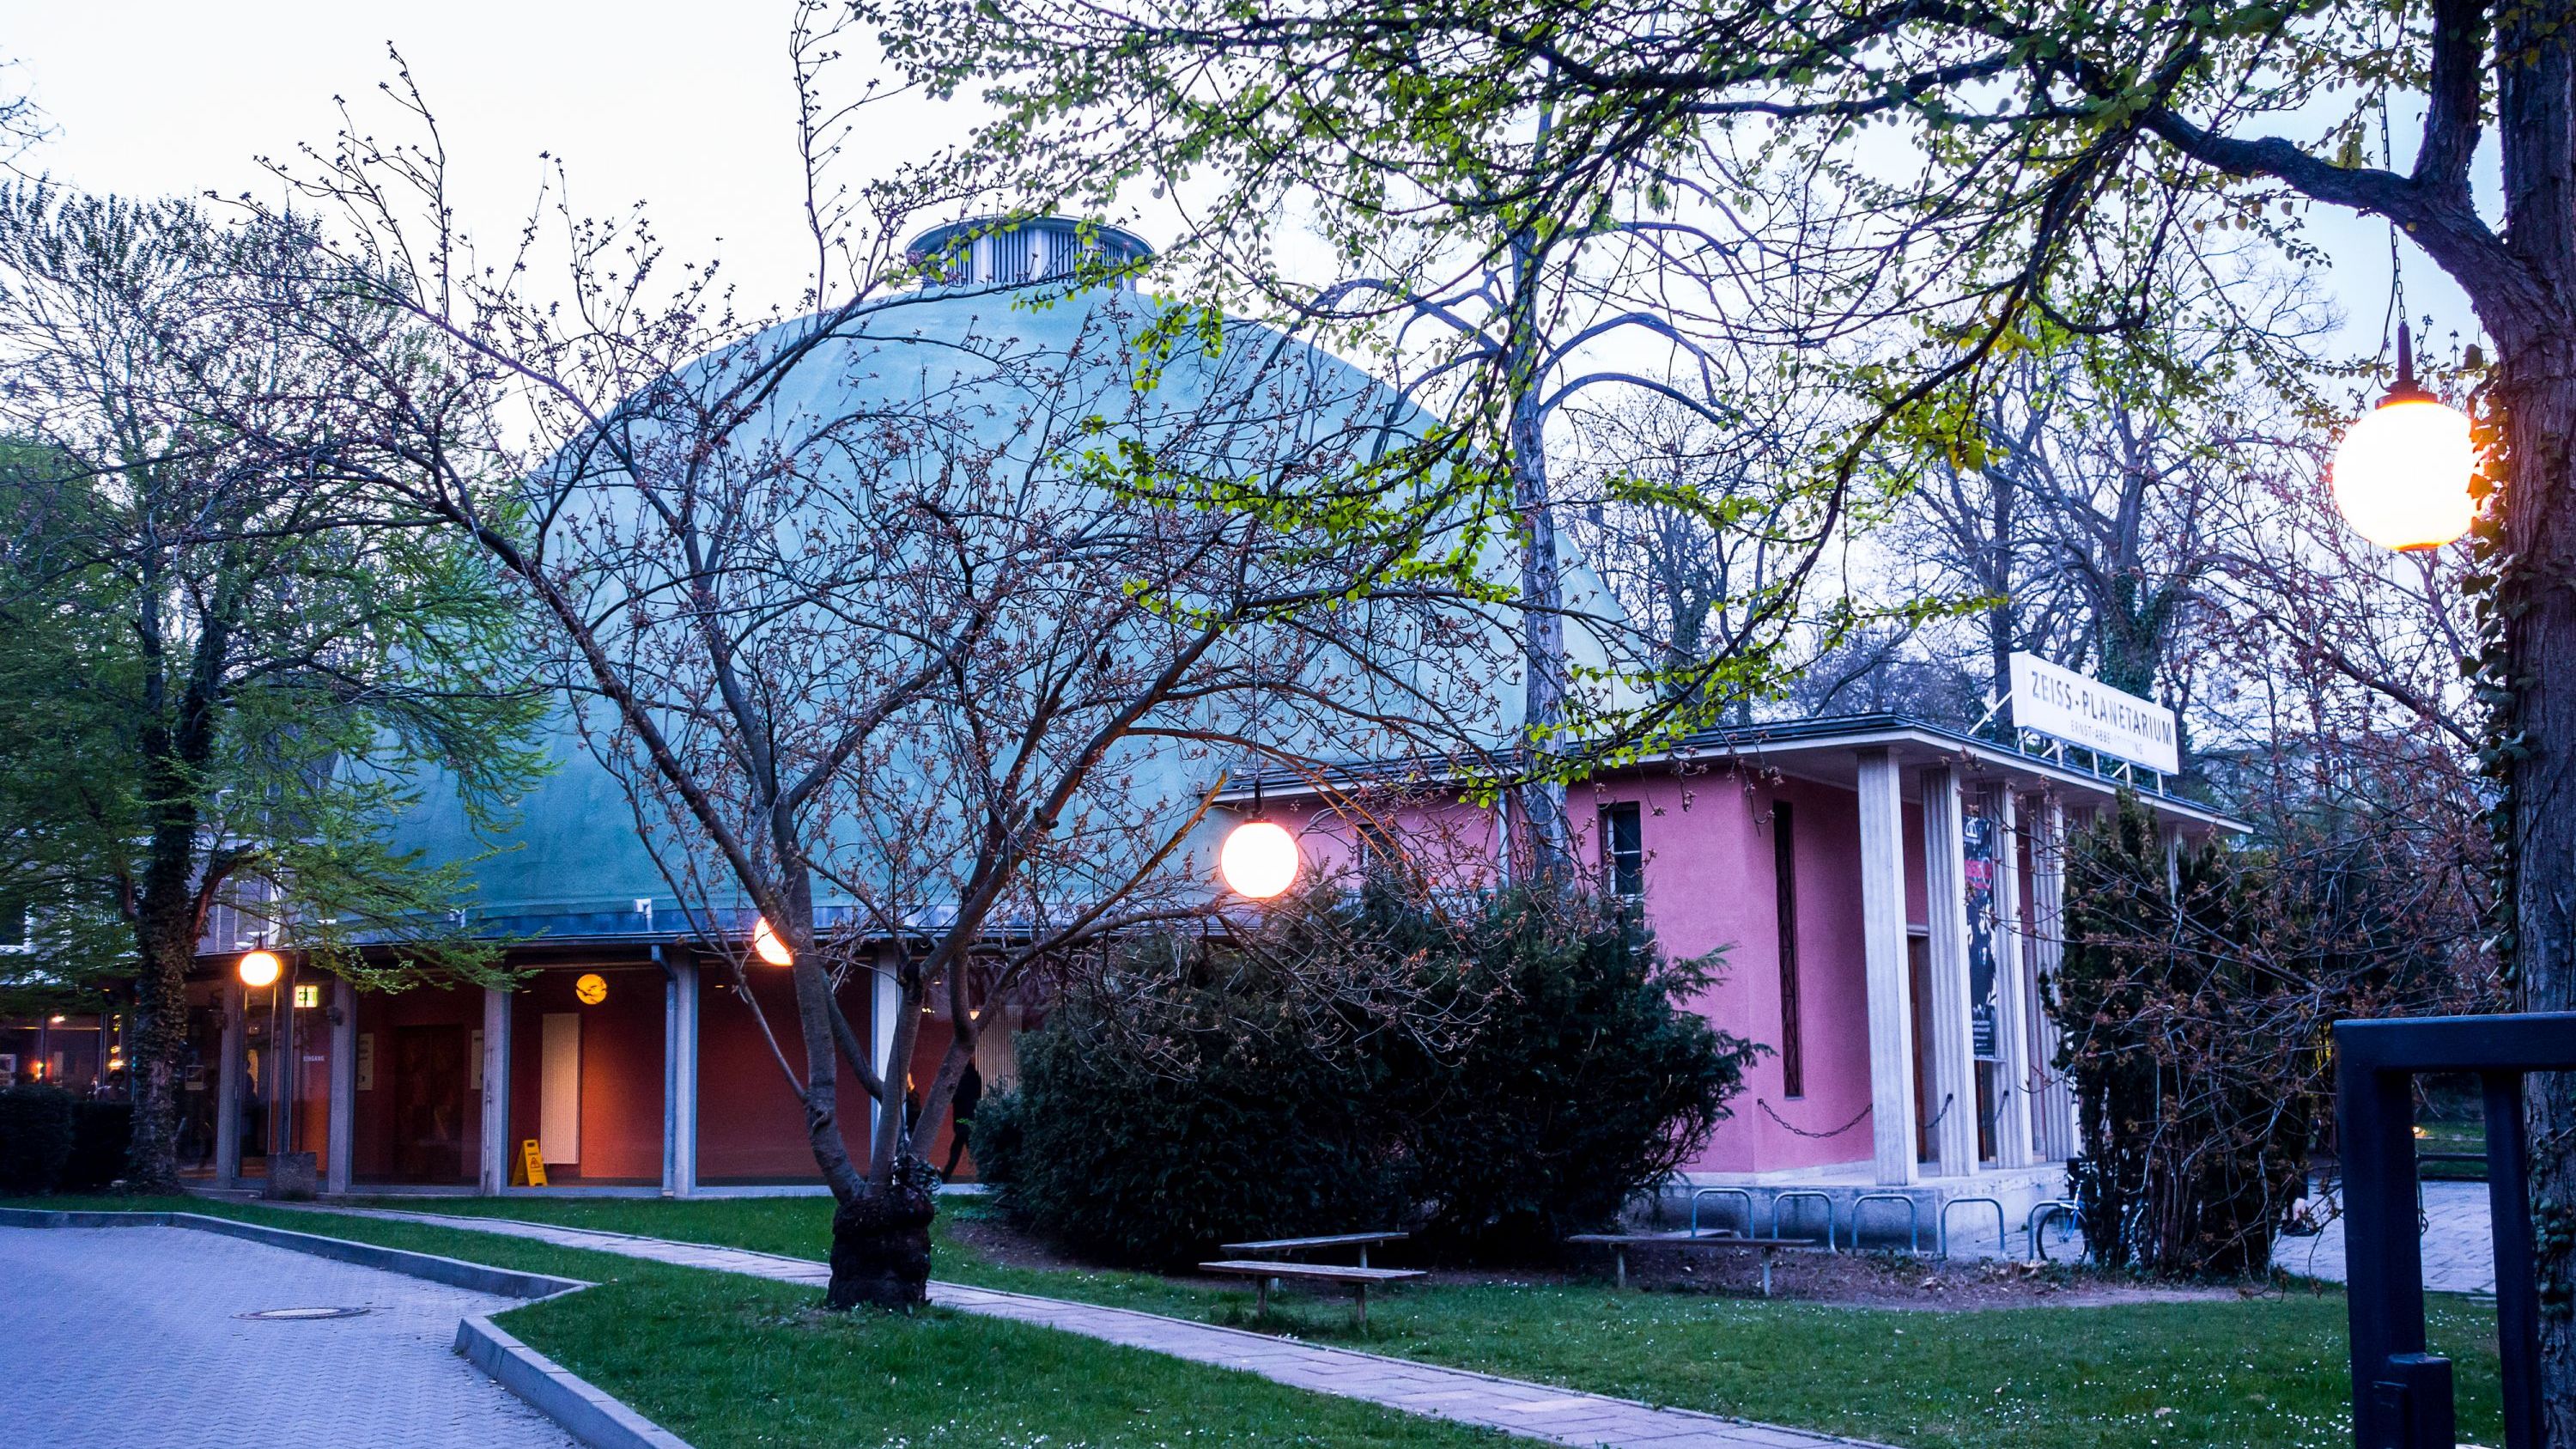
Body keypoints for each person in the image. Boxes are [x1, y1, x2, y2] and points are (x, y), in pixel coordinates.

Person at [942, 1061, 983, 1179]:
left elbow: (957, 1096)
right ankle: (985, 1173)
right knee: (968, 1148)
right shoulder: (975, 1077)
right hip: (969, 1119)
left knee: (957, 1148)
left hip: (963, 1120)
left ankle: (945, 1176)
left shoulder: (965, 1079)